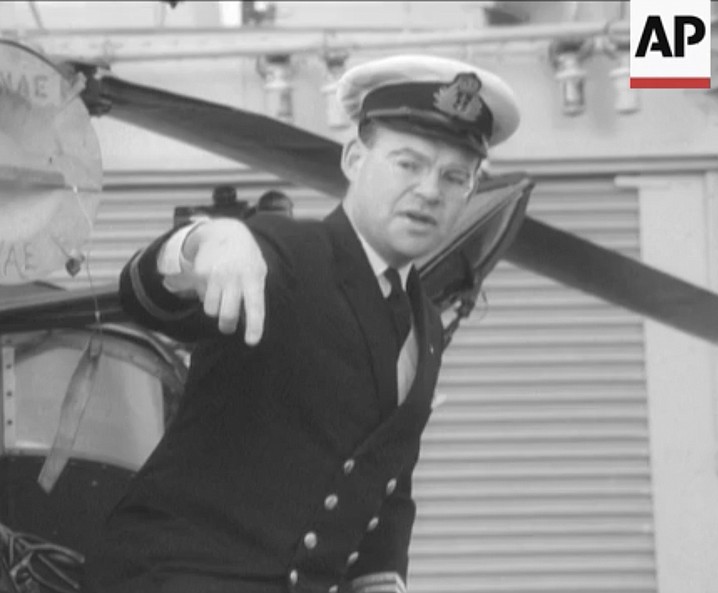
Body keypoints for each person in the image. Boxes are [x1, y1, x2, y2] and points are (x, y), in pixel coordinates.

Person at [84, 54, 519, 593]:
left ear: (471, 192)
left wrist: (382, 579)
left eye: (454, 177)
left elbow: (386, 479)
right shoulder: (283, 252)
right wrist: (203, 240)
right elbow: (144, 296)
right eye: (409, 163)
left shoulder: (424, 324)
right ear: (355, 158)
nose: (430, 190)